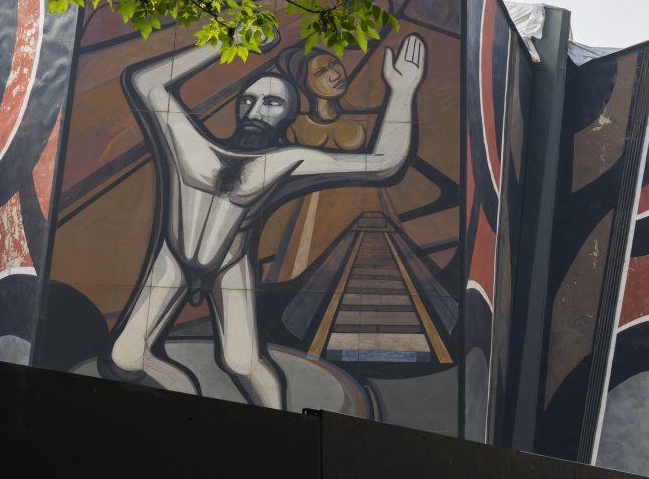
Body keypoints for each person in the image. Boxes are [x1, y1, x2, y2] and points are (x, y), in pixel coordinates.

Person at [104, 33, 427, 409]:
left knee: (242, 363)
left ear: (287, 115)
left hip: (229, 264)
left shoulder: (285, 161)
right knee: (126, 357)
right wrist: (230, 41)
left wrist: (402, 91)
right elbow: (145, 82)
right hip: (174, 257)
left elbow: (384, 162)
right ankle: (189, 398)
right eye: (248, 100)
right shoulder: (189, 144)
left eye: (272, 103)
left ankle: (279, 426)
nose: (256, 110)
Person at [281, 49, 372, 151]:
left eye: (334, 64)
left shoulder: (364, 121)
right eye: (321, 72)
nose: (336, 75)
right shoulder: (294, 128)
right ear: (305, 83)